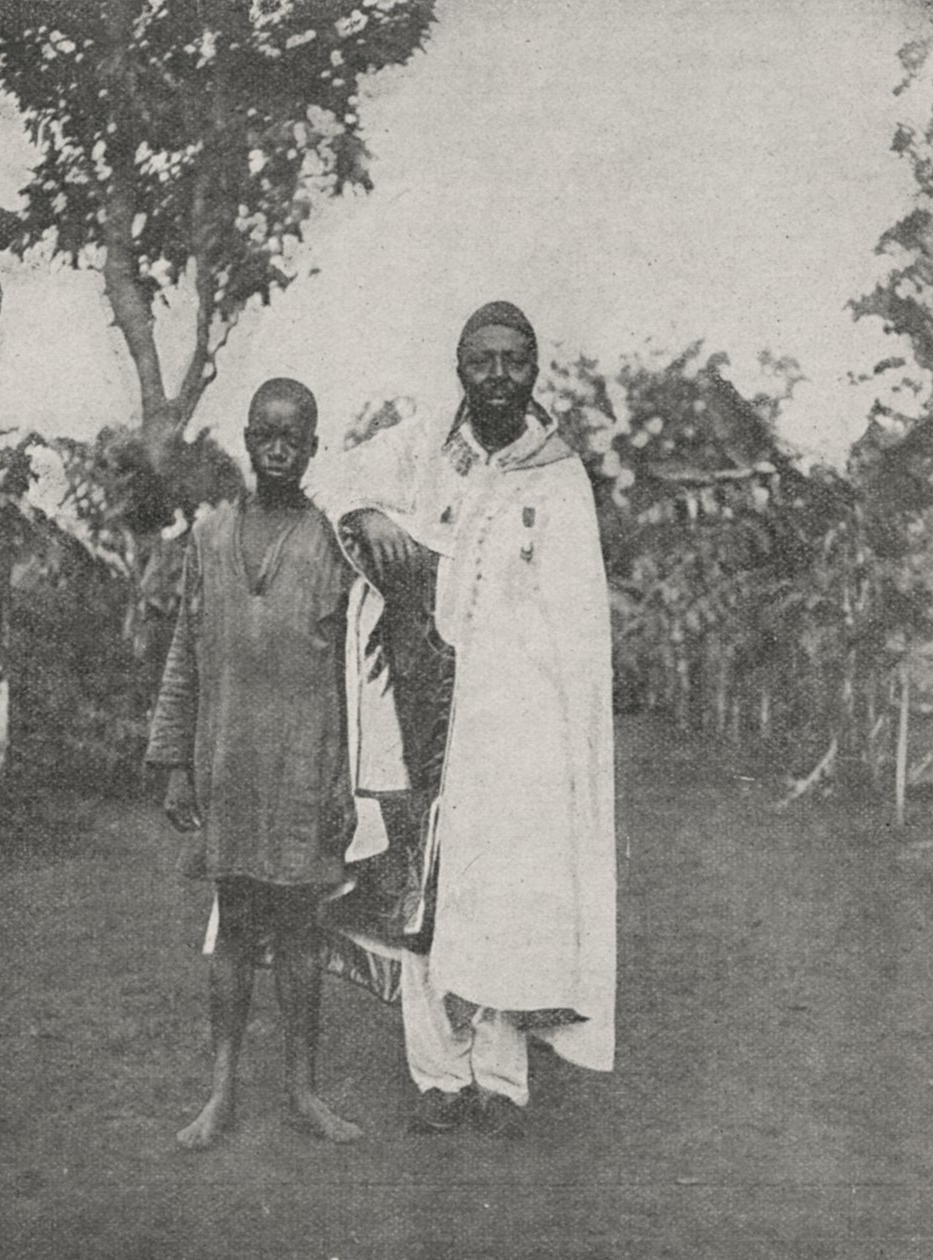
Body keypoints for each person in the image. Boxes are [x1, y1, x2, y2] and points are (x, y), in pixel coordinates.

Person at [335, 302, 617, 1138]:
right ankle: (437, 1075)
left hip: (516, 725)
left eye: (513, 360)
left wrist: (557, 742)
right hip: (420, 706)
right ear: (458, 367)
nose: (497, 375)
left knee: (506, 893)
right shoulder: (424, 447)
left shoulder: (557, 475)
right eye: (480, 360)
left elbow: (578, 627)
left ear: (534, 369)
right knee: (421, 887)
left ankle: (499, 1079)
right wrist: (371, 516)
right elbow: (333, 482)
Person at [146, 378, 362, 1149]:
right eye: (264, 435)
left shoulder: (331, 544)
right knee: (234, 927)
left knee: (300, 933)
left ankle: (303, 1092)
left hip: (304, 768)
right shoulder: (209, 538)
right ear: (245, 439)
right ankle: (221, 1093)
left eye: (292, 438)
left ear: (312, 447)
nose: (277, 450)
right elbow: (185, 650)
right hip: (228, 763)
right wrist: (174, 762)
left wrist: (344, 778)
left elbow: (350, 676)